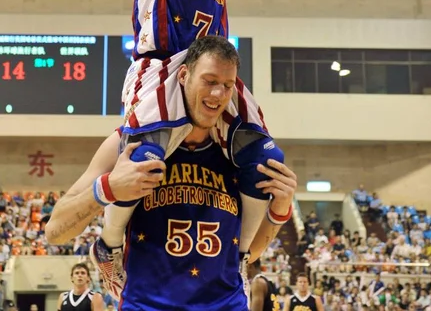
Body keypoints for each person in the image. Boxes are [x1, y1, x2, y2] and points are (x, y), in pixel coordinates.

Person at [91, 0, 279, 296]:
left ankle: (238, 257)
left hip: (213, 71)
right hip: (161, 68)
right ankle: (109, 244)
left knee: (265, 156)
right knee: (148, 161)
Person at [46, 37, 297, 311]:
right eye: (209, 81)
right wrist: (108, 188)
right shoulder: (131, 141)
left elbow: (248, 254)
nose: (218, 95)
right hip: (148, 305)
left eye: (227, 86)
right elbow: (55, 231)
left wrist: (280, 210)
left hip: (225, 304)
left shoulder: (240, 153)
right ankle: (110, 248)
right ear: (183, 75)